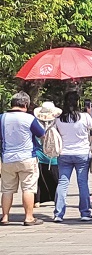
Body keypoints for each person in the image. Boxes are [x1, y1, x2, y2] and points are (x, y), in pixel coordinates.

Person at [1, 91, 46, 226]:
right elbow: (41, 134)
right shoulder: (29, 118)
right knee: (28, 188)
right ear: (25, 104)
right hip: (27, 158)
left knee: (7, 190)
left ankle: (5, 217)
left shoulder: (2, 118)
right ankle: (28, 217)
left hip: (7, 158)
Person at [52, 92, 92, 223]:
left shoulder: (59, 118)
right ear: (78, 102)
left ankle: (58, 214)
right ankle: (85, 212)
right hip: (82, 153)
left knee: (62, 183)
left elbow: (55, 132)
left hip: (64, 153)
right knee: (82, 183)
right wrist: (89, 113)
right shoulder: (84, 117)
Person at [32, 102, 61, 209]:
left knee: (38, 178)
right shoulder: (57, 122)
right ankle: (57, 198)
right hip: (53, 154)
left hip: (38, 153)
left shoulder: (35, 122)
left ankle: (37, 200)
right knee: (55, 177)